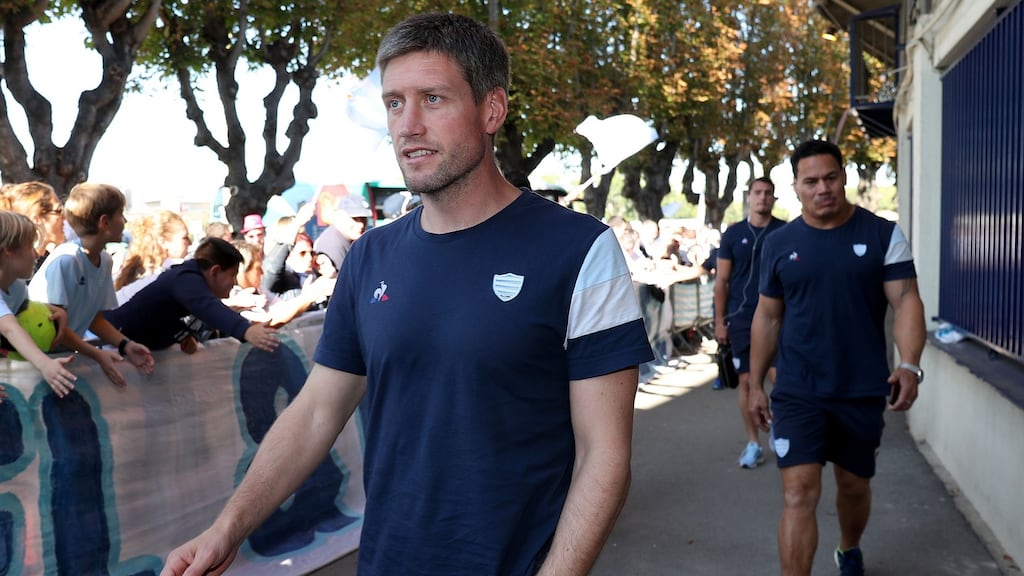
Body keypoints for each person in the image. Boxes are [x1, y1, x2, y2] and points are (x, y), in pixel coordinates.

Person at [162, 13, 652, 576]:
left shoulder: (582, 250)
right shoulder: (370, 256)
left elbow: (604, 455)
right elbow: (319, 411)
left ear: (492, 110)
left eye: (433, 99)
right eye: (395, 103)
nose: (408, 124)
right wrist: (227, 528)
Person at [747, 140, 926, 576]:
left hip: (861, 387)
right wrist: (754, 385)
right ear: (796, 187)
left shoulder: (882, 235)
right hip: (797, 389)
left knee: (853, 484)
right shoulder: (780, 243)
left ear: (844, 176)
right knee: (798, 492)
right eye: (811, 181)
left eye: (830, 177)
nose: (822, 188)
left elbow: (905, 302)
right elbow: (767, 317)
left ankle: (849, 546)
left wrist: (909, 364)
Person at [28, 183, 155, 388]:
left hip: (62, 360)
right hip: (37, 363)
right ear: (104, 222)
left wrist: (126, 345)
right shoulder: (66, 260)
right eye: (120, 215)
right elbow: (56, 328)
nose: (125, 221)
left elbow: (95, 319)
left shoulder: (105, 260)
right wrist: (97, 354)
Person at [714, 176, 786, 467]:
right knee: (747, 382)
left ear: (774, 198)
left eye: (769, 193)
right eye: (758, 192)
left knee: (779, 378)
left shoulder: (785, 231)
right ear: (748, 197)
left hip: (779, 316)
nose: (763, 197)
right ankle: (753, 442)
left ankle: (779, 427)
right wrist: (719, 322)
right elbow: (722, 281)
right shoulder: (732, 235)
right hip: (741, 317)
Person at [105, 237, 279, 354]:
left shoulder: (190, 281)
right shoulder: (186, 279)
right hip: (112, 341)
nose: (234, 282)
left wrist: (186, 336)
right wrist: (245, 330)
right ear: (215, 271)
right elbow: (208, 307)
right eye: (232, 274)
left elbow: (168, 318)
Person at [0, 210, 77, 397]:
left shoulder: (16, 285)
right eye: (30, 247)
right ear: (9, 250)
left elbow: (22, 306)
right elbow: (9, 328)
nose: (36, 255)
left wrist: (55, 311)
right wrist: (45, 364)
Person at [114, 210, 192, 305]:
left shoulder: (136, 270)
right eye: (185, 238)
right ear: (163, 241)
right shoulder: (157, 277)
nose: (190, 243)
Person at [0, 181, 66, 273]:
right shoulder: (17, 271)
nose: (65, 217)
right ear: (36, 219)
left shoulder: (51, 262)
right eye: (58, 211)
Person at [311, 193, 372, 271]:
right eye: (355, 219)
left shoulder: (348, 239)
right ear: (340, 216)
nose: (361, 224)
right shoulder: (332, 244)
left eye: (363, 219)